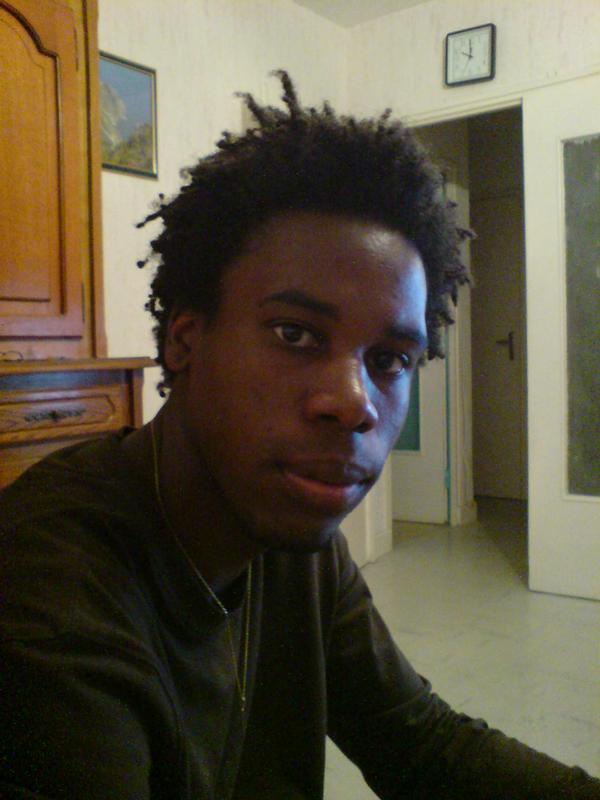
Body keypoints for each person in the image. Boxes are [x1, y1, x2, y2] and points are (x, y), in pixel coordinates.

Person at [1, 71, 598, 800]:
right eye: (295, 333)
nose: (354, 404)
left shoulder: (290, 539)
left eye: (390, 360)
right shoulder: (49, 607)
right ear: (186, 339)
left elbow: (420, 742)